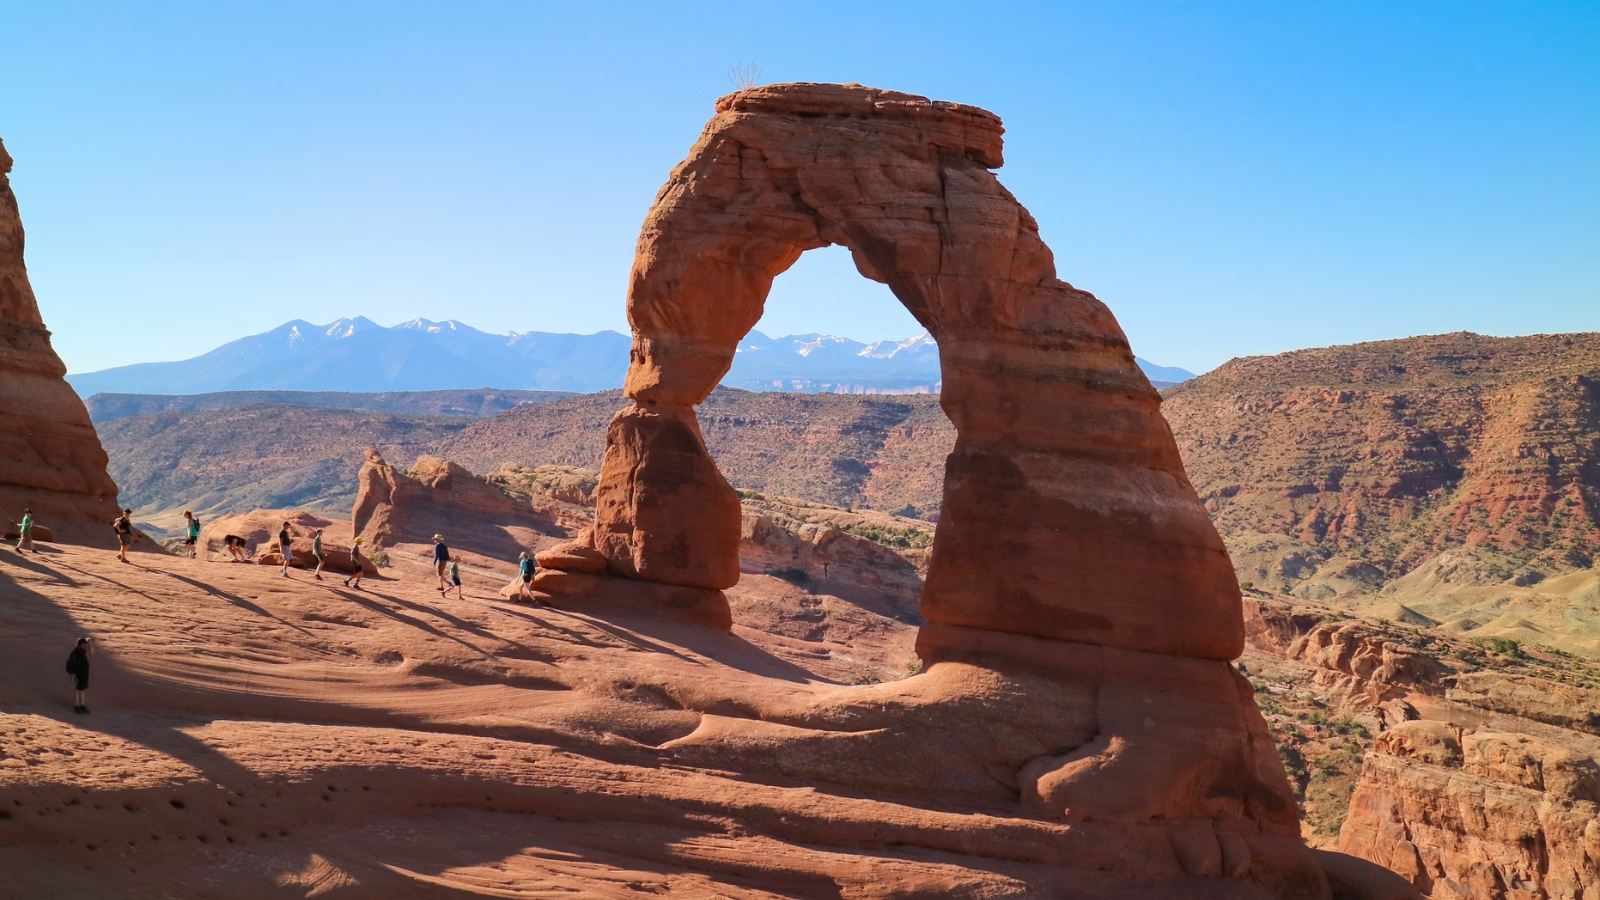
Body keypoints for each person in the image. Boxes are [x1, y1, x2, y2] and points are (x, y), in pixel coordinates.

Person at [66, 637, 92, 714]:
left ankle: (81, 705)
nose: (85, 646)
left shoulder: (76, 651)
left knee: (81, 690)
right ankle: (77, 706)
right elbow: (91, 653)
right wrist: (90, 644)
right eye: (85, 644)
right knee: (78, 690)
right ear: (81, 644)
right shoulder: (79, 651)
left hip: (82, 673)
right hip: (79, 673)